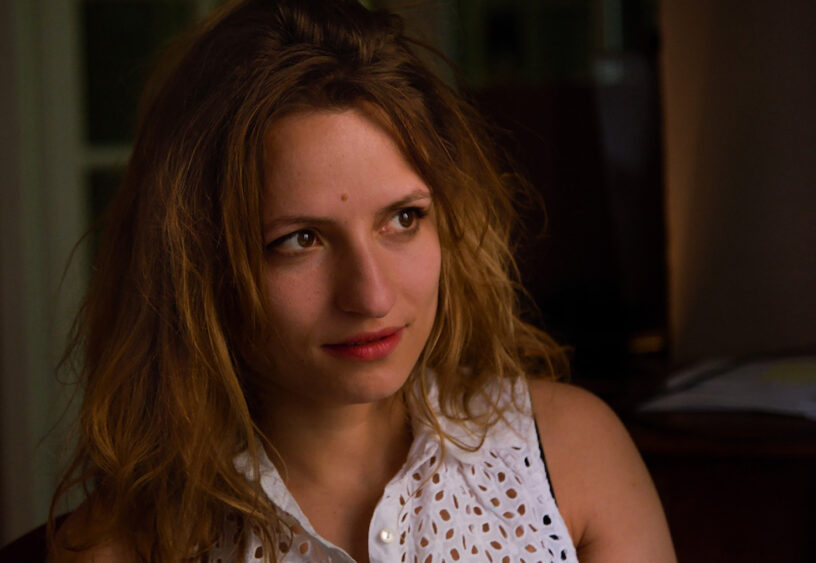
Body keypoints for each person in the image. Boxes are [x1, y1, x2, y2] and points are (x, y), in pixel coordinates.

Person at [49, 0, 676, 561]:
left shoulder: (573, 455)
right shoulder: (120, 546)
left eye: (403, 219)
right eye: (301, 239)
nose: (372, 297)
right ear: (197, 266)